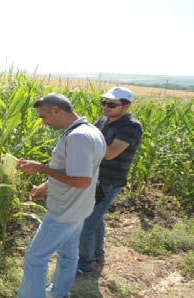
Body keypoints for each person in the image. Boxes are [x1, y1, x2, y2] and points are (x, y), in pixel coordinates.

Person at [17, 93, 106, 298]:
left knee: (35, 257)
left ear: (56, 110)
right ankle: (59, 293)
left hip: (65, 210)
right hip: (79, 208)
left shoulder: (78, 137)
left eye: (43, 116)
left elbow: (82, 180)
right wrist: (47, 186)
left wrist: (41, 169)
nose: (43, 122)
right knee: (68, 255)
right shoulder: (91, 130)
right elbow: (75, 170)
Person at [78, 87, 143, 274]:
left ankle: (85, 264)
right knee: (96, 220)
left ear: (126, 106)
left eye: (112, 104)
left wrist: (85, 144)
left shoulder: (131, 126)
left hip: (110, 181)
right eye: (104, 103)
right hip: (96, 178)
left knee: (88, 222)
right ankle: (97, 256)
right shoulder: (104, 121)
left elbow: (111, 153)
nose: (107, 107)